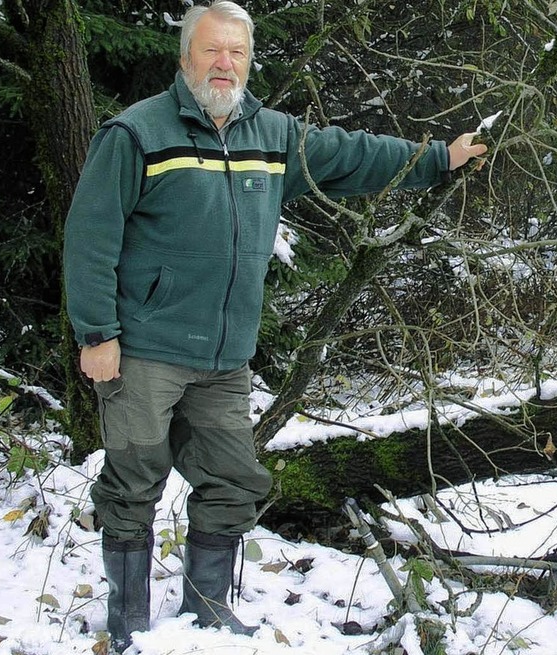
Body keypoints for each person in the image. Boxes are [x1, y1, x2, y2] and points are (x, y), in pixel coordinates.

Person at [63, 1, 487, 652]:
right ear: (186, 58)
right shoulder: (137, 133)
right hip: (144, 349)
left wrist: (437, 158)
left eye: (236, 50)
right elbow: (90, 237)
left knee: (234, 481)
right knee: (131, 485)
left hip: (225, 356)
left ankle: (208, 611)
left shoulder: (272, 135)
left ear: (250, 58)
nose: (224, 63)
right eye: (211, 50)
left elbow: (352, 156)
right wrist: (97, 333)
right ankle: (130, 623)